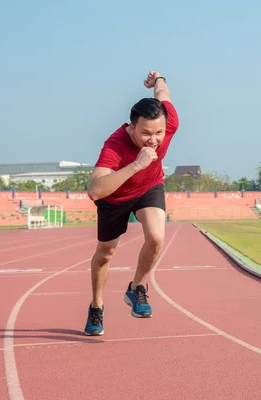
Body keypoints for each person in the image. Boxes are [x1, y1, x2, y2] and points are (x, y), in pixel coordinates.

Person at [83, 71, 179, 336]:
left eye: (159, 132)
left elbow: (163, 94)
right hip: (114, 198)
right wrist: (136, 164)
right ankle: (97, 305)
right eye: (146, 133)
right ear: (131, 127)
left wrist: (159, 78)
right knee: (105, 254)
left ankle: (137, 287)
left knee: (157, 237)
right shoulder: (114, 145)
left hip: (149, 187)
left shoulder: (169, 123)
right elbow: (94, 190)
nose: (154, 140)